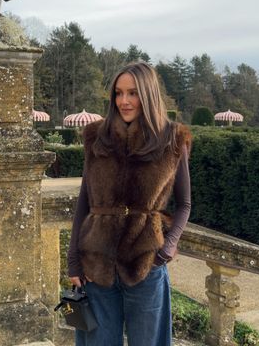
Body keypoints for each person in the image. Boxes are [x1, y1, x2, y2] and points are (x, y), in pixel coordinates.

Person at [67, 61, 191, 346]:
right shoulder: (96, 136)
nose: (124, 101)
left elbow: (184, 204)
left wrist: (167, 247)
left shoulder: (172, 139)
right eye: (119, 93)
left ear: (147, 94)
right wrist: (74, 260)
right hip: (96, 263)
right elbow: (84, 203)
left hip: (146, 262)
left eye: (132, 93)